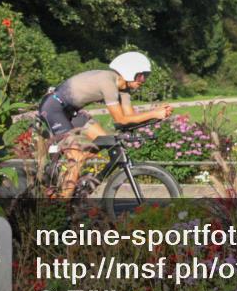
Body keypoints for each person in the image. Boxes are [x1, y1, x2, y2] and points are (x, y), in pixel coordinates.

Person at [39, 51, 172, 197]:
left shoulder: (124, 90)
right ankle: (59, 207)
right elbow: (120, 119)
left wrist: (156, 115)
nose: (144, 79)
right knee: (76, 156)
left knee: (108, 142)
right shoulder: (108, 83)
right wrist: (153, 113)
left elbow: (129, 118)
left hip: (72, 112)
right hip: (53, 108)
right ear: (129, 71)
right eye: (141, 75)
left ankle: (73, 179)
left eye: (146, 75)